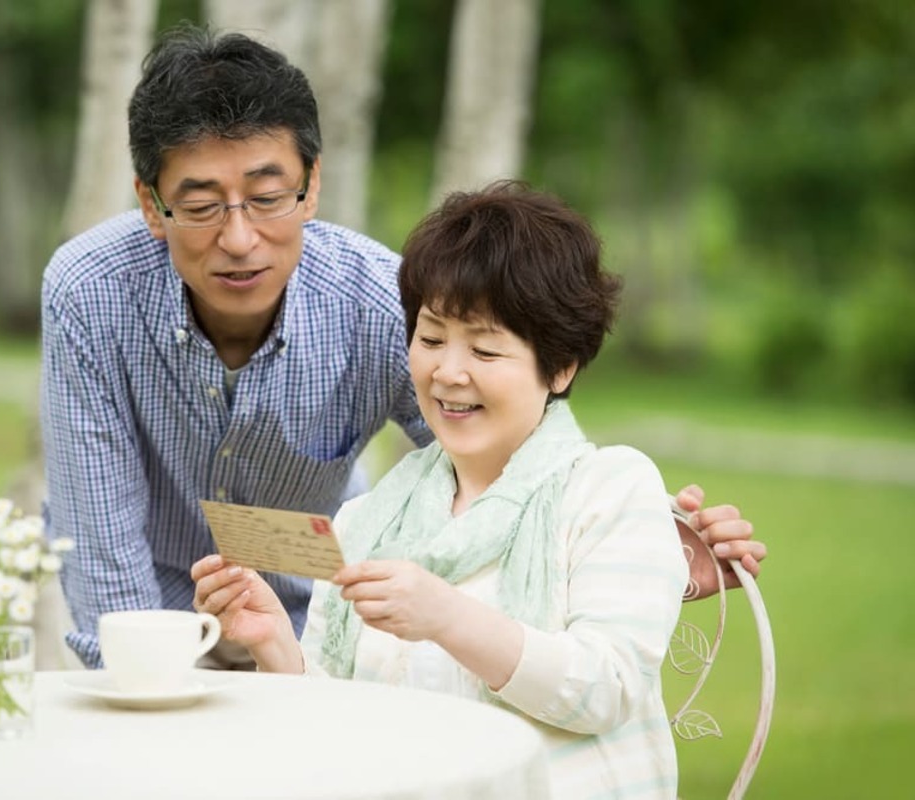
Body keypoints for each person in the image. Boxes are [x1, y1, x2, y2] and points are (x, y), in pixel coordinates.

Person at [40, 23, 765, 670]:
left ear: (312, 184)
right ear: (149, 204)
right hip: (148, 630)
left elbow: (503, 463)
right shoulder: (89, 292)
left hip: (319, 624)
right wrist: (145, 690)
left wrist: (633, 543)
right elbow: (100, 538)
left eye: (267, 197)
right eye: (199, 207)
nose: (238, 238)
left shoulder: (379, 301)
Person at [193, 182, 690, 797]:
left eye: (484, 347)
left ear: (560, 366)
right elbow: (330, 728)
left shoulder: (609, 489)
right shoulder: (366, 520)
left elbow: (605, 688)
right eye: (430, 339)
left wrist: (447, 616)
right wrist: (273, 644)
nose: (448, 372)